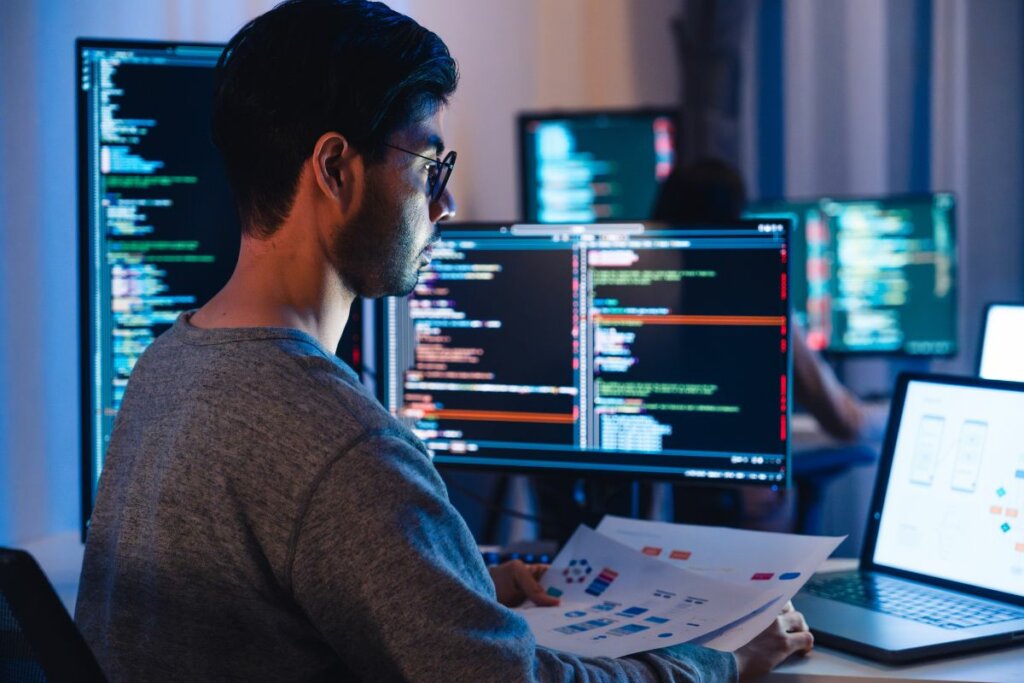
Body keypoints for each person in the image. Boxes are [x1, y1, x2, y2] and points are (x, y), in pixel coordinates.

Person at [75, 3, 813, 680]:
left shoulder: (168, 365)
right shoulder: (340, 443)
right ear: (336, 169)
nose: (447, 204)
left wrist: (450, 582)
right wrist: (718, 662)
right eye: (430, 165)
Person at [651, 158, 867, 530]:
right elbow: (844, 423)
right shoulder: (759, 290)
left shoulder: (625, 286)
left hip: (646, 507)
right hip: (741, 512)